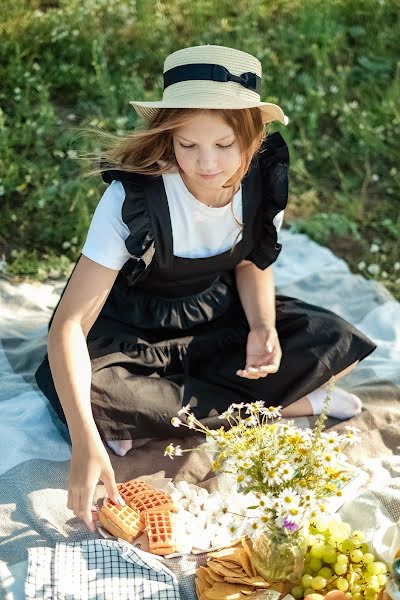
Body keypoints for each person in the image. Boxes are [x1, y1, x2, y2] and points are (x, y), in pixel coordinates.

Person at [35, 44, 377, 533]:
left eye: (223, 145)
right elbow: (69, 323)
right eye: (188, 145)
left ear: (253, 136)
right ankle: (272, 405)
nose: (208, 163)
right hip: (131, 330)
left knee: (331, 337)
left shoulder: (264, 178)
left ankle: (148, 420)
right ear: (168, 136)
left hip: (213, 316)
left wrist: (262, 325)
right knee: (76, 385)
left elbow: (252, 259)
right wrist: (86, 439)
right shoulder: (131, 197)